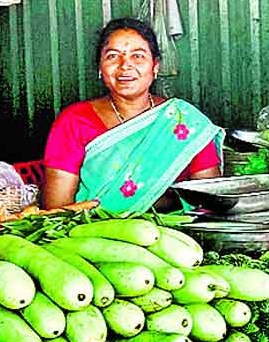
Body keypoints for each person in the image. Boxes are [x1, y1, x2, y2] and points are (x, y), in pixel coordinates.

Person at [42, 18, 223, 214]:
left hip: (177, 235)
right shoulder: (74, 122)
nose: (125, 65)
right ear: (100, 69)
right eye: (112, 56)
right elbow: (56, 209)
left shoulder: (184, 121)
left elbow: (209, 200)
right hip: (92, 234)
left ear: (155, 66)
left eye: (138, 56)